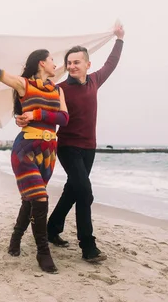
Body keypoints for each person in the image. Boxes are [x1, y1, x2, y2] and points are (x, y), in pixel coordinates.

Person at [0, 43, 69, 273]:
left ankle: (15, 238)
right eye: (51, 60)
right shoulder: (23, 84)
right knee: (39, 198)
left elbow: (64, 119)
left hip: (48, 153)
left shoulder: (58, 90)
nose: (55, 65)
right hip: (26, 150)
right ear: (41, 63)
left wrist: (35, 113)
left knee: (31, 200)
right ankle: (43, 252)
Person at [16, 22, 125, 262]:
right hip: (66, 147)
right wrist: (24, 118)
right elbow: (38, 103)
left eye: (77, 62)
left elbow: (112, 63)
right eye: (69, 63)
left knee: (73, 190)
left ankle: (53, 228)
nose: (72, 66)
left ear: (87, 64)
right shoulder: (59, 89)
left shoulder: (95, 80)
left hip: (89, 147)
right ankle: (88, 246)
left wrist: (119, 39)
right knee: (85, 192)